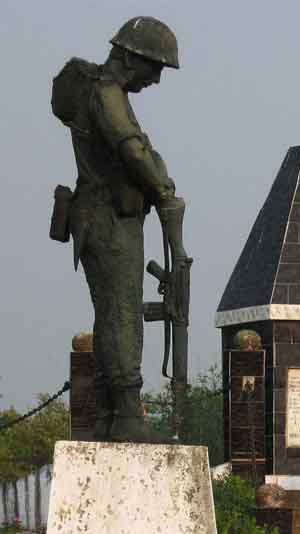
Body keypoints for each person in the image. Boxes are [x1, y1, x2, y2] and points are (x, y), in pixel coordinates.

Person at [52, 17, 186, 442]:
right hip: (109, 221)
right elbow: (131, 149)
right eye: (155, 68)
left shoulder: (107, 93)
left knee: (113, 313)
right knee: (122, 314)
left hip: (107, 219)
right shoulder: (107, 95)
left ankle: (112, 413)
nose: (156, 79)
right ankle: (126, 414)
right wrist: (162, 186)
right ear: (132, 58)